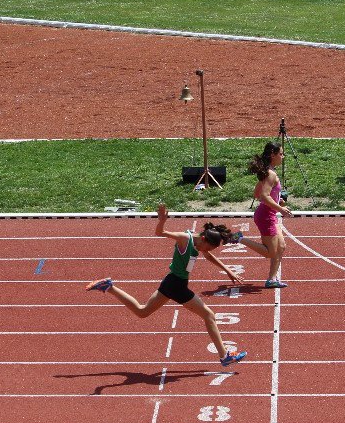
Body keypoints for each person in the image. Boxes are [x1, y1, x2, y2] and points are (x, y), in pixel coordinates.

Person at [86, 204, 248, 367]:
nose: (206, 250)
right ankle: (224, 356)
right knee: (209, 316)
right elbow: (160, 233)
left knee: (142, 312)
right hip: (177, 286)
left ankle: (109, 287)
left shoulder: (200, 242)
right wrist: (162, 221)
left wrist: (227, 269)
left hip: (171, 282)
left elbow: (207, 255)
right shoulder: (185, 238)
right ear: (204, 239)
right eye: (208, 247)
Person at [229, 142, 292, 288]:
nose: (283, 156)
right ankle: (240, 238)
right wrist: (280, 209)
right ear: (273, 155)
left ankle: (271, 279)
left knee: (281, 246)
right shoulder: (270, 174)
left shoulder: (267, 171)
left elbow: (256, 193)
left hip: (268, 214)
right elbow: (263, 196)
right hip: (266, 216)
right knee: (270, 252)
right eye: (281, 154)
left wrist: (277, 199)